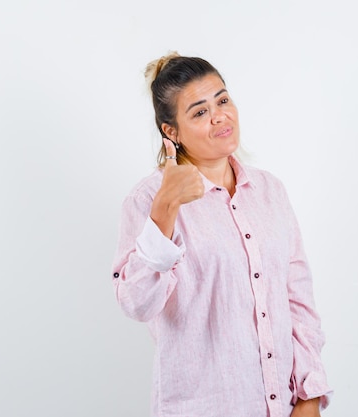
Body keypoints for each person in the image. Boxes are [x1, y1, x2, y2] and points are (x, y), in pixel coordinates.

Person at [111, 52, 332, 417]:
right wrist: (165, 208)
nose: (219, 116)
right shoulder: (147, 200)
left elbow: (299, 301)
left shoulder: (269, 191)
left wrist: (309, 396)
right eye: (199, 112)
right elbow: (136, 303)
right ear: (171, 132)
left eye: (223, 100)